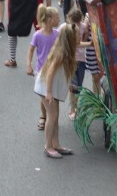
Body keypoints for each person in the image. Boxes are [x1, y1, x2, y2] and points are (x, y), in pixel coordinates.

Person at [34, 23, 77, 158]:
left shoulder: (65, 50)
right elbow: (51, 71)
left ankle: (56, 144)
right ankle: (48, 146)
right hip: (46, 87)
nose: (79, 36)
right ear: (70, 37)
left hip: (49, 87)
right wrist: (48, 92)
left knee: (55, 116)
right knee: (52, 116)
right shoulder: (62, 53)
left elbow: (60, 73)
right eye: (77, 35)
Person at [27, 4, 60, 131]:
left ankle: (52, 118)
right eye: (57, 17)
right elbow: (30, 50)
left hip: (54, 70)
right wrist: (28, 65)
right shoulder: (38, 35)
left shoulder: (57, 34)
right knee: (44, 95)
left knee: (52, 95)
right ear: (50, 19)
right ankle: (44, 116)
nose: (59, 19)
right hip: (41, 71)